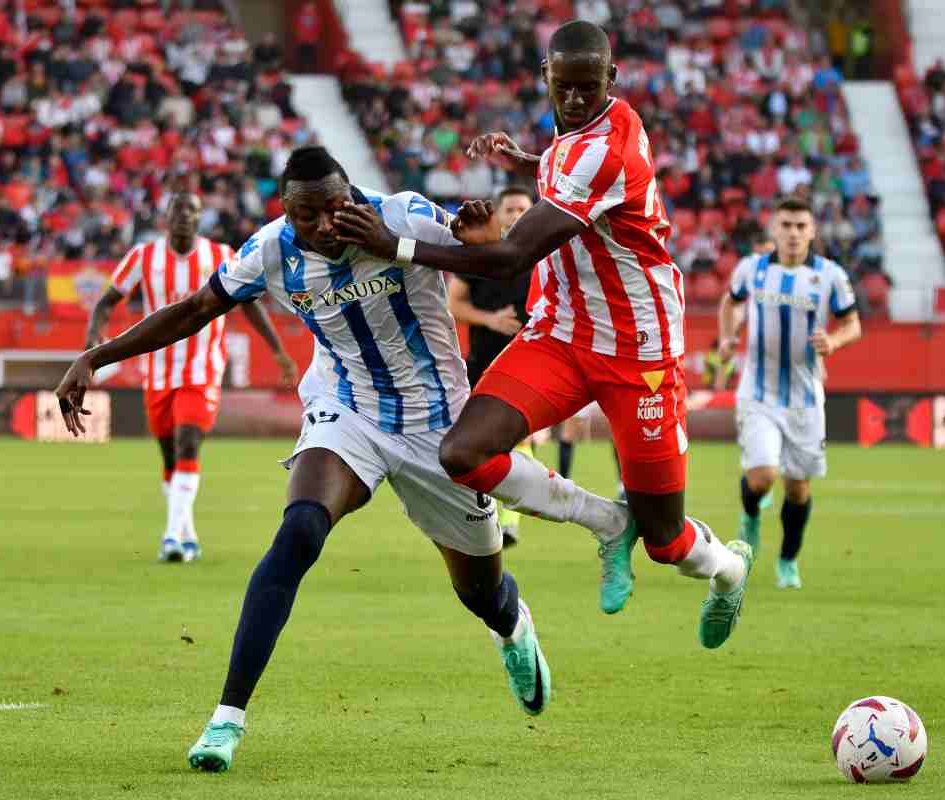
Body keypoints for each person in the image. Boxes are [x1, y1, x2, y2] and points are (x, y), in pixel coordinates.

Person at [56, 147, 631, 772]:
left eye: (336, 208)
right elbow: (196, 309)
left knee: (481, 593)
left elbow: (492, 256)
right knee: (300, 530)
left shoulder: (404, 216)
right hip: (347, 408)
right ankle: (226, 719)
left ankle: (512, 625)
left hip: (439, 426)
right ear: (286, 211)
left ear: (352, 194)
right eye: (307, 216)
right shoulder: (270, 250)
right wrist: (95, 357)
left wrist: (476, 234)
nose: (325, 225)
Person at [333, 20, 754, 641]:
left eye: (589, 87)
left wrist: (393, 245)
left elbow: (509, 258)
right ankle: (607, 522)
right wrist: (531, 159)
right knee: (463, 453)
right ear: (546, 77)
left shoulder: (604, 150)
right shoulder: (576, 136)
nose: (576, 99)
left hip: (637, 350)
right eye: (565, 86)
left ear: (612, 79)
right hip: (560, 332)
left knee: (665, 540)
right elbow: (568, 168)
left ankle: (728, 571)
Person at [84, 191, 298, 563]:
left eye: (192, 211)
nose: (184, 216)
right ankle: (188, 535)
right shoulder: (143, 257)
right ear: (166, 217)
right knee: (170, 457)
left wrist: (277, 350)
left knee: (187, 443)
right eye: (178, 210)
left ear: (200, 219)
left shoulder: (220, 255)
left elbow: (248, 304)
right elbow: (107, 301)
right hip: (158, 372)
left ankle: (170, 537)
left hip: (202, 370)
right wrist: (92, 338)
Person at [717, 196, 862, 588]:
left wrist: (834, 341)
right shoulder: (753, 269)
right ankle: (750, 515)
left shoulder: (830, 275)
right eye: (786, 225)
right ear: (774, 229)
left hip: (805, 398)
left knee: (798, 489)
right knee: (762, 477)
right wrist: (727, 338)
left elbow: (853, 324)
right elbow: (730, 303)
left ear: (812, 231)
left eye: (801, 226)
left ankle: (787, 560)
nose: (794, 233)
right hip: (758, 392)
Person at [446, 185, 534, 546]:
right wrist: (490, 319)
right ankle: (485, 515)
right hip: (481, 362)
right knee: (471, 443)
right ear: (497, 215)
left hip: (527, 364)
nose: (516, 215)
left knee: (517, 438)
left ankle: (509, 522)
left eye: (523, 209)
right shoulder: (480, 257)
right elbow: (453, 303)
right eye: (510, 209)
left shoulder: (543, 256)